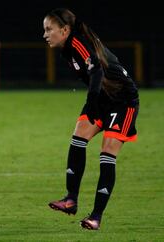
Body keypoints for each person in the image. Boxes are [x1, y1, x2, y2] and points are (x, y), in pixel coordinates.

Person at [43, 8, 139, 230]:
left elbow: (97, 71)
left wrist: (93, 102)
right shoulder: (67, 48)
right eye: (44, 30)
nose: (45, 34)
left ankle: (95, 217)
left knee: (107, 153)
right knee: (78, 138)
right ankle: (70, 200)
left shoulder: (78, 42)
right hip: (102, 97)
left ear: (64, 30)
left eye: (49, 29)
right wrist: (95, 102)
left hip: (123, 101)